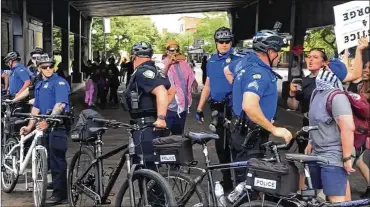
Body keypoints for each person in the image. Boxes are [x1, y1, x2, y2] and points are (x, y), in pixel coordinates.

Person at [224, 30, 293, 184]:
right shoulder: (259, 73)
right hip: (250, 136)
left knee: (243, 180)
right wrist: (274, 129)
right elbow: (249, 105)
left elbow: (227, 71)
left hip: (238, 130)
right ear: (269, 51)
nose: (279, 55)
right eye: (278, 51)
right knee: (250, 186)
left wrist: (239, 87)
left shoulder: (246, 61)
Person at [196, 27, 242, 192]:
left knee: (236, 146)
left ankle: (241, 182)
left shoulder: (238, 59)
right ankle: (227, 180)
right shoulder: (211, 61)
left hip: (234, 110)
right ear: (216, 43)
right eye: (221, 42)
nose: (224, 45)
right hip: (217, 109)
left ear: (231, 42)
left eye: (227, 42)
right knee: (221, 147)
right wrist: (199, 108)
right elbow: (208, 85)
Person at [20, 54, 70, 204]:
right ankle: (56, 184)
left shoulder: (59, 82)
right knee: (48, 158)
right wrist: (29, 126)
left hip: (58, 126)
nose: (48, 69)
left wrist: (48, 122)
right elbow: (36, 107)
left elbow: (60, 105)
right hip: (44, 126)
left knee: (57, 160)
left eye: (51, 66)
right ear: (38, 68)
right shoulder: (40, 84)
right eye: (44, 67)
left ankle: (60, 195)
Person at [124, 41, 175, 163]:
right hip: (152, 124)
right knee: (152, 167)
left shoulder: (142, 72)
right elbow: (172, 91)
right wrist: (159, 109)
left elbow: (162, 91)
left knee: (146, 167)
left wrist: (161, 117)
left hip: (146, 127)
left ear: (134, 57)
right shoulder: (154, 70)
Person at [162, 40, 195, 135]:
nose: (174, 52)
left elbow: (189, 78)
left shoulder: (184, 64)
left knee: (178, 136)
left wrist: (194, 83)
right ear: (167, 51)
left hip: (182, 107)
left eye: (177, 49)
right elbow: (161, 77)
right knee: (164, 136)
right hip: (169, 107)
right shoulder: (162, 64)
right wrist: (168, 64)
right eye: (172, 50)